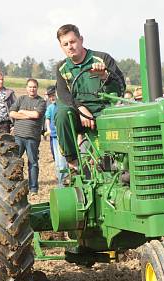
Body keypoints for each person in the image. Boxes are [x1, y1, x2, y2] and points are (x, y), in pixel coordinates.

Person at [54, 24, 125, 168]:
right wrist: (81, 109)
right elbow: (63, 94)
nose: (70, 47)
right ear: (61, 47)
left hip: (104, 110)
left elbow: (121, 87)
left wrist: (105, 76)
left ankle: (121, 161)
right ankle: (73, 162)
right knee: (61, 114)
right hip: (79, 113)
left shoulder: (102, 58)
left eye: (72, 42)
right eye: (65, 44)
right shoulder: (62, 67)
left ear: (81, 40)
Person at [9, 79, 47, 195]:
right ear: (26, 88)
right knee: (14, 162)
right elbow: (11, 113)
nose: (32, 89)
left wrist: (22, 112)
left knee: (33, 163)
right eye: (30, 87)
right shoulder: (21, 99)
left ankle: (33, 188)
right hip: (18, 136)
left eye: (34, 87)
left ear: (37, 88)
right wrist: (27, 116)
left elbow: (36, 114)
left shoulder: (41, 101)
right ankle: (14, 186)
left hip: (32, 138)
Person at [45, 87, 67, 187]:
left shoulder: (62, 106)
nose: (52, 98)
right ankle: (60, 184)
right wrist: (48, 129)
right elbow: (47, 119)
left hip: (62, 137)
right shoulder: (51, 107)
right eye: (50, 96)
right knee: (58, 163)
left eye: (53, 95)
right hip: (54, 137)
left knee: (63, 163)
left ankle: (64, 185)